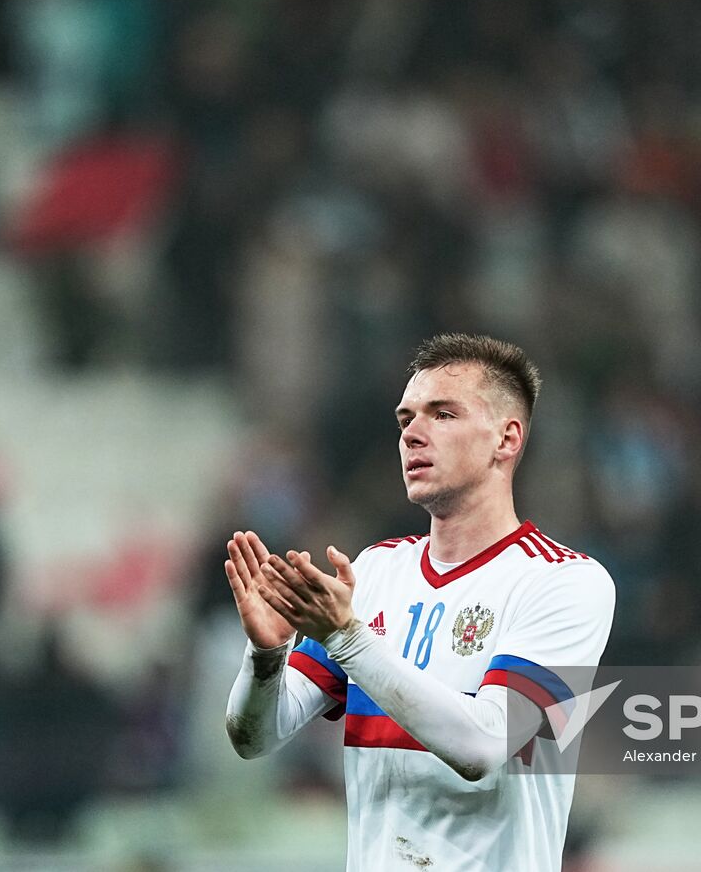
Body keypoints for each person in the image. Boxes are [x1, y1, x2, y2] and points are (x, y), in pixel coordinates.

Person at [223, 333, 616, 871]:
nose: (413, 435)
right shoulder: (376, 573)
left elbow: (483, 747)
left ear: (507, 438)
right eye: (406, 419)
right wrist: (266, 657)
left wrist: (347, 638)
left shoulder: (564, 583)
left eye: (443, 414)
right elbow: (254, 738)